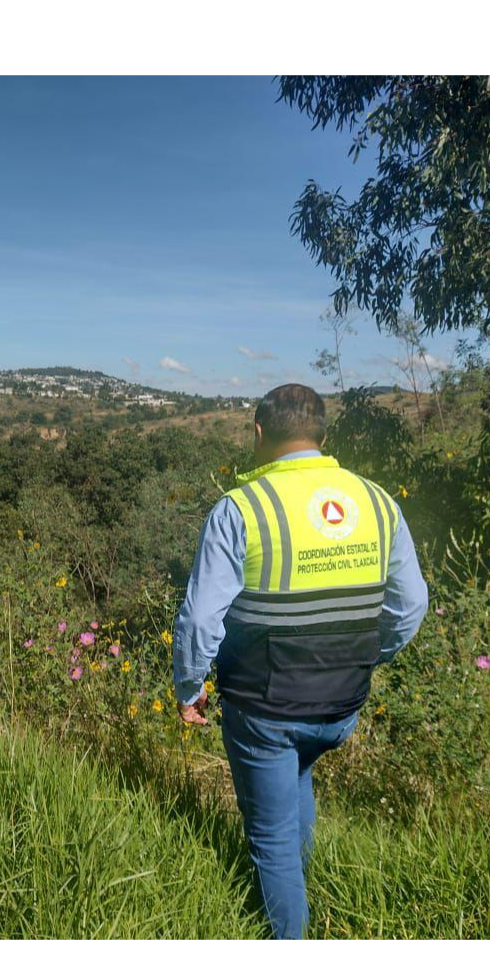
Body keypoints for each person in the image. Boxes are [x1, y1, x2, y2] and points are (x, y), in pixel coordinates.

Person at [171, 382, 429, 940]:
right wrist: (368, 657)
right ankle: (310, 886)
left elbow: (200, 619)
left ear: (259, 432)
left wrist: (189, 688)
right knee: (298, 773)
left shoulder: (241, 509)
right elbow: (411, 605)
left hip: (265, 707)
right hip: (342, 703)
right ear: (322, 435)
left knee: (270, 840)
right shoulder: (377, 502)